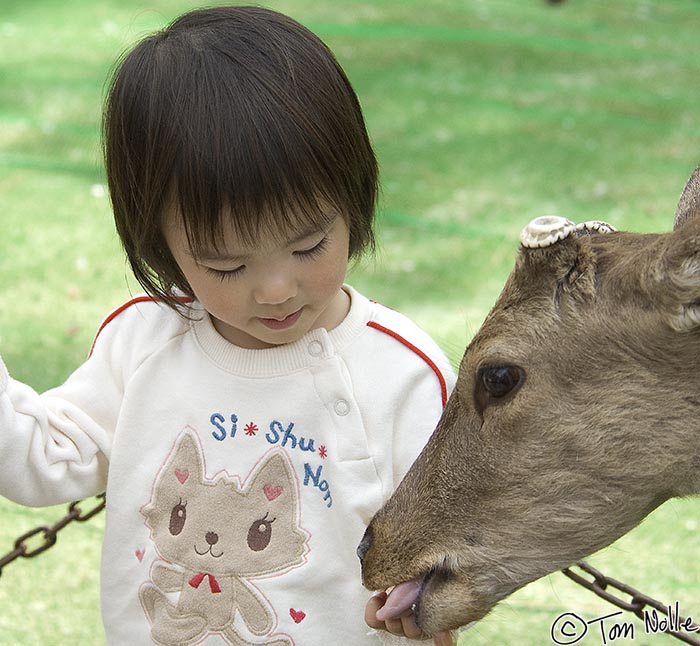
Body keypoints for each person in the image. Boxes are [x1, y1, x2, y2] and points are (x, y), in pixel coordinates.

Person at [0, 6, 456, 645]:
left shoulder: (403, 374)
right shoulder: (143, 348)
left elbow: (455, 538)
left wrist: (427, 591)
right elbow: (39, 460)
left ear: (354, 199)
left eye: (308, 247)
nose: (275, 289)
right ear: (158, 243)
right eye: (225, 263)